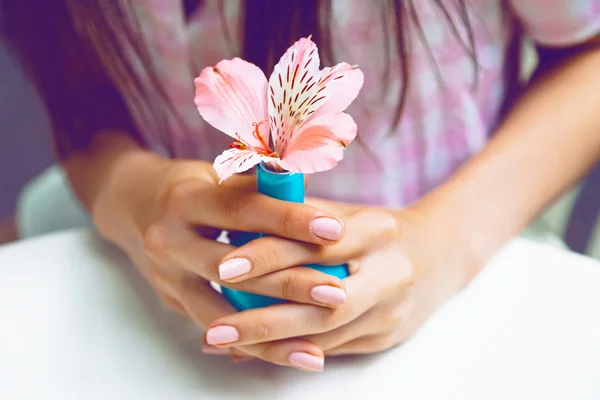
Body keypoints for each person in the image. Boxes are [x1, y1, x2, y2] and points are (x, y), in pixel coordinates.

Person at [2, 0, 600, 372]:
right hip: (139, 242)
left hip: (461, 235)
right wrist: (126, 190)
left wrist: (445, 239)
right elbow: (79, 104)